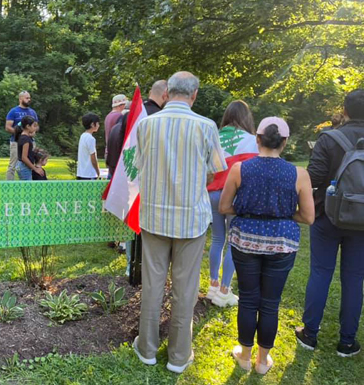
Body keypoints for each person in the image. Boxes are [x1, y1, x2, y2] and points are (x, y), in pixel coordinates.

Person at [133, 71, 227, 374]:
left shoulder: (146, 125)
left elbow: (140, 167)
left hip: (155, 216)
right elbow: (215, 171)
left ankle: (146, 348)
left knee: (153, 282)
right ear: (194, 94)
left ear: (166, 94)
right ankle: (178, 355)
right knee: (185, 288)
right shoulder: (206, 126)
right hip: (191, 218)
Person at [219, 117, 314, 374]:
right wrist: (282, 216)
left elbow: (224, 206)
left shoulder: (240, 169)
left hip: (245, 241)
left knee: (249, 299)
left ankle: (245, 355)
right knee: (271, 302)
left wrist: (248, 211)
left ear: (257, 139)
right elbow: (308, 216)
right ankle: (263, 361)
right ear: (285, 142)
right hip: (282, 244)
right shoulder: (299, 174)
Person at [296, 89, 364, 358]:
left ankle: (310, 334)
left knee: (321, 273)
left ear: (345, 111)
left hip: (327, 215)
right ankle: (347, 342)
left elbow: (312, 178)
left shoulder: (329, 139)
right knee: (354, 278)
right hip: (362, 222)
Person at [206, 100, 258, 307]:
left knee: (217, 239)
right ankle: (224, 291)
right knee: (234, 242)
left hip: (212, 194)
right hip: (236, 196)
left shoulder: (213, 136)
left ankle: (212, 285)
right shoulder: (252, 140)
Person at [5, 91, 38, 180]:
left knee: (31, 162)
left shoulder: (32, 112)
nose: (29, 100)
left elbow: (36, 126)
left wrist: (33, 132)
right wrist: (21, 133)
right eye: (27, 98)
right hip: (16, 142)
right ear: (20, 99)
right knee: (13, 165)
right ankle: (9, 187)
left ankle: (30, 182)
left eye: (29, 98)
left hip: (31, 142)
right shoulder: (14, 111)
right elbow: (8, 127)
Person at [15, 115, 41, 181]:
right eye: (33, 126)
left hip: (21, 166)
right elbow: (24, 157)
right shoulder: (26, 139)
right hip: (24, 167)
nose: (35, 128)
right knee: (27, 188)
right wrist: (35, 169)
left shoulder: (23, 137)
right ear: (28, 126)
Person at [77, 112, 100, 180]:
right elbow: (93, 158)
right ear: (93, 124)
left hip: (81, 173)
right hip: (89, 174)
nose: (99, 125)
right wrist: (98, 171)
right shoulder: (91, 139)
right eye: (98, 123)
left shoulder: (83, 136)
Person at [104, 94, 128, 159]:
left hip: (108, 152)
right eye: (125, 105)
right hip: (116, 154)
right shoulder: (119, 116)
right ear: (121, 105)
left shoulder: (108, 116)